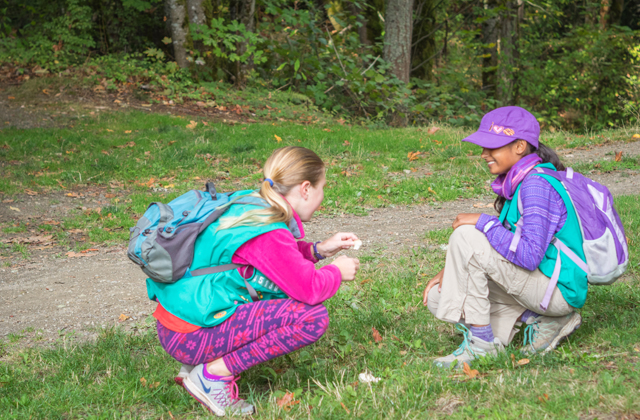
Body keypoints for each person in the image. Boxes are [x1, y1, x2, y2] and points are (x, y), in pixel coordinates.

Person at [147, 146, 360, 416]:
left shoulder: (253, 205)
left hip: (178, 326)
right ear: (305, 188)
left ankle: (197, 366)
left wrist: (318, 250)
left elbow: (274, 263)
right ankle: (212, 375)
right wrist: (337, 272)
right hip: (189, 337)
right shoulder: (269, 231)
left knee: (284, 292)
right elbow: (310, 289)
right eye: (322, 188)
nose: (323, 196)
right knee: (312, 317)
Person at [422, 106, 585, 368]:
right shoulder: (520, 181)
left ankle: (482, 345)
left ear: (520, 146)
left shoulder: (536, 185)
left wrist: (483, 222)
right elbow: (505, 244)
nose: (484, 154)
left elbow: (530, 256)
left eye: (492, 146)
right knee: (440, 295)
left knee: (466, 234)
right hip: (536, 286)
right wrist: (454, 267)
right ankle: (540, 320)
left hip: (558, 292)